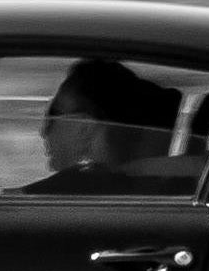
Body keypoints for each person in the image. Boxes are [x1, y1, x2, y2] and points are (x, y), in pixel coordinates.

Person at [16, 58, 192, 195]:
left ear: (84, 128)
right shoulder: (162, 192)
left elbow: (1, 207)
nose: (42, 131)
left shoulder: (80, 186)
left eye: (52, 114)